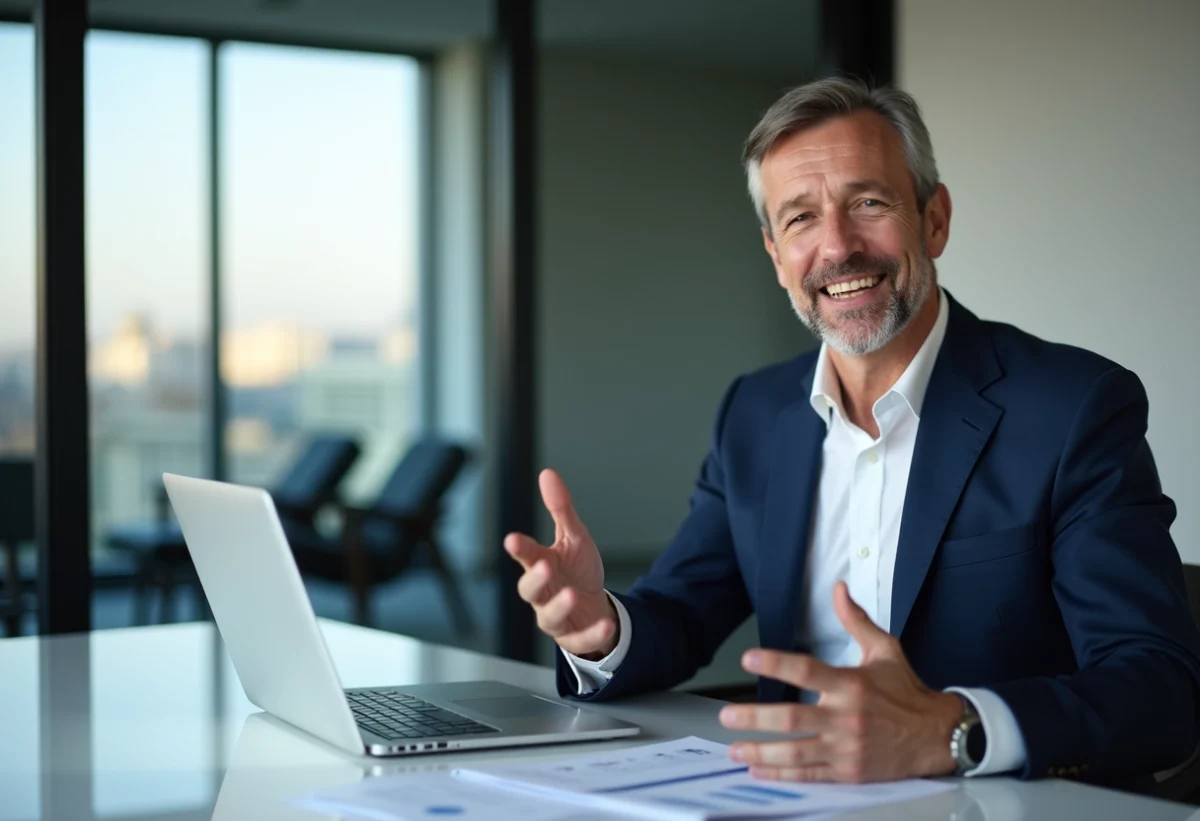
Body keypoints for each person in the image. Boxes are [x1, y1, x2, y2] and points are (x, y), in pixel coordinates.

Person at [503, 77, 1200, 786]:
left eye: (868, 202)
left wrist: (956, 727)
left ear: (934, 219)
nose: (838, 247)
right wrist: (602, 627)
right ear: (776, 255)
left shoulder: (1072, 407)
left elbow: (1161, 688)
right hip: (782, 797)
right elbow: (682, 613)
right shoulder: (754, 413)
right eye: (801, 218)